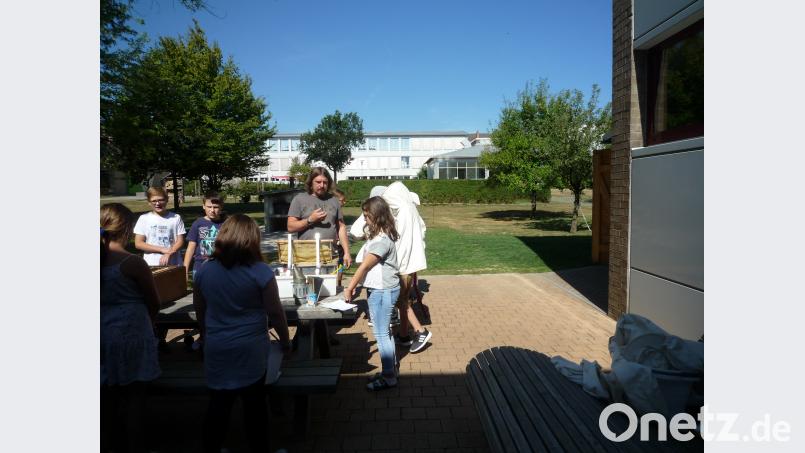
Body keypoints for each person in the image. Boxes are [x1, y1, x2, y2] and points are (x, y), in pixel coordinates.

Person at [193, 214, 291, 453]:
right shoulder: (260, 271)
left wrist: (206, 335)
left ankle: (211, 448)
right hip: (250, 347)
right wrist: (286, 340)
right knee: (255, 405)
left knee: (218, 403)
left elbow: (200, 308)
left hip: (217, 344)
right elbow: (275, 312)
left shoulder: (205, 270)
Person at [100, 203, 161, 453]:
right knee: (135, 399)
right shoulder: (132, 263)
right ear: (126, 228)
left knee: (106, 400)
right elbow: (153, 302)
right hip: (131, 333)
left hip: (101, 332)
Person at [350, 182, 432, 353]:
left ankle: (420, 331)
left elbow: (356, 232)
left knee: (401, 300)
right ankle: (403, 335)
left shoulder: (393, 207)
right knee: (404, 299)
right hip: (411, 262)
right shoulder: (408, 208)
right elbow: (422, 230)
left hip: (400, 264)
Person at [344, 197, 400, 391]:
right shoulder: (380, 235)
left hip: (382, 291)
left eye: (367, 216)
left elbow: (365, 266)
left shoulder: (382, 240)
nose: (365, 220)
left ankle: (389, 377)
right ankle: (391, 370)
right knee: (386, 331)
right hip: (381, 289)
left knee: (381, 333)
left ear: (377, 217)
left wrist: (350, 288)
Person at [286, 167, 352, 269]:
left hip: (330, 257)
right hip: (306, 258)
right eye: (318, 182)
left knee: (330, 284)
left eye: (325, 182)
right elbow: (290, 227)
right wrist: (310, 220)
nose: (322, 185)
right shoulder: (299, 199)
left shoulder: (334, 201)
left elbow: (341, 227)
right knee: (308, 285)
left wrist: (347, 252)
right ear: (310, 183)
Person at [134, 187, 186, 266]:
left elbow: (180, 241)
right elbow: (138, 243)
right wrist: (162, 249)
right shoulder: (143, 219)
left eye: (161, 200)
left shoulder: (176, 218)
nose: (158, 203)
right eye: (154, 201)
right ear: (149, 202)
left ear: (167, 200)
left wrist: (169, 253)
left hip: (174, 263)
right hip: (151, 264)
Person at [183, 191, 226, 282]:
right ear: (203, 206)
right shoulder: (198, 223)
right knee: (200, 294)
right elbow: (190, 248)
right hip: (200, 267)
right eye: (209, 207)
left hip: (221, 267)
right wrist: (185, 270)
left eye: (216, 207)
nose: (212, 210)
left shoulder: (227, 224)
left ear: (221, 207)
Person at [332, 188, 348, 289]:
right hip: (334, 245)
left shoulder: (340, 212)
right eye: (342, 200)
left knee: (341, 265)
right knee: (335, 265)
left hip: (340, 245)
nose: (344, 202)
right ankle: (334, 284)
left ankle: (339, 283)